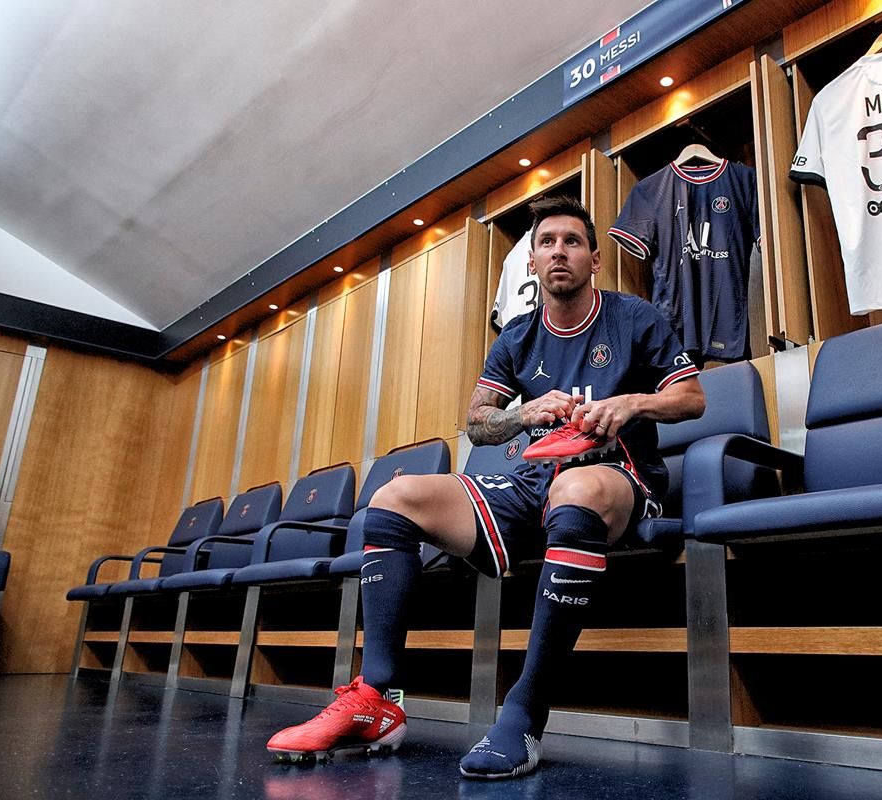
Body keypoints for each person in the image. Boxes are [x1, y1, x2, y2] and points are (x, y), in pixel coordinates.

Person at [266, 196, 706, 779]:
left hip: (617, 475)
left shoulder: (636, 318)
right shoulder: (519, 335)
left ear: (595, 259)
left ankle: (524, 712)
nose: (559, 252)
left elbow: (692, 399)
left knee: (577, 491)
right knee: (392, 500)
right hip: (528, 477)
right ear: (531, 263)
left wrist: (630, 402)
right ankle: (377, 700)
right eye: (546, 242)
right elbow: (478, 421)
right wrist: (524, 416)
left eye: (572, 242)